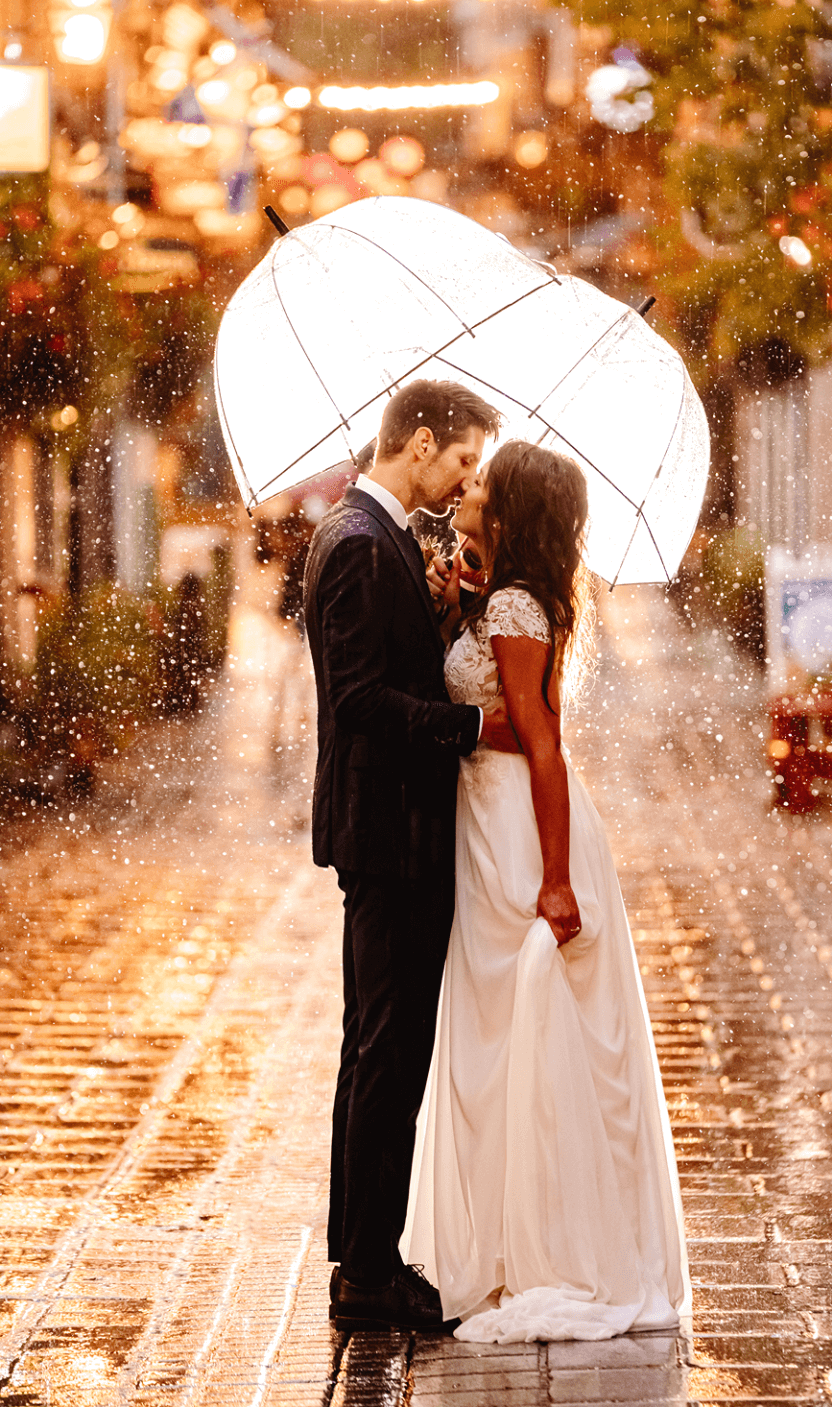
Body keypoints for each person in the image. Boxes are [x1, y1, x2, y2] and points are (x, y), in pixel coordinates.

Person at [404, 440, 691, 1343]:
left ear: (512, 507)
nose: (469, 486)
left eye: (484, 481)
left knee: (530, 1035)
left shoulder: (521, 606)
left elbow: (541, 742)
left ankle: (547, 1249)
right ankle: (505, 1241)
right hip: (489, 833)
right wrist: (462, 606)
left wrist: (559, 880)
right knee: (501, 1038)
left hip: (523, 841)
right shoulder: (509, 598)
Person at [303, 378, 513, 1332]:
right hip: (388, 833)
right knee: (387, 1051)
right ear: (420, 440)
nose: (466, 479)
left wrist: (437, 619)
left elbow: (387, 669)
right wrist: (467, 723)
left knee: (381, 1048)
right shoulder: (355, 542)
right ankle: (367, 1273)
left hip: (395, 828)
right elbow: (358, 702)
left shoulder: (379, 539)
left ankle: (365, 1255)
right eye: (465, 460)